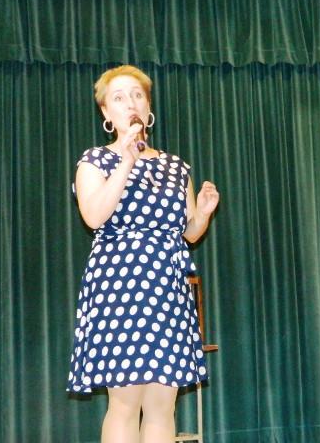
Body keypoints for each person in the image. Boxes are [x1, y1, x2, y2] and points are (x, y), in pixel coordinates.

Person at [66, 65, 220, 443]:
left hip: (167, 287)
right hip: (120, 286)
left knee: (163, 404)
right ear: (106, 112)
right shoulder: (94, 161)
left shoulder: (174, 166)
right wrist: (127, 161)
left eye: (137, 95)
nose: (130, 103)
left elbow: (188, 233)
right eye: (119, 98)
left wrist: (202, 214)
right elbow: (94, 215)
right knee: (125, 402)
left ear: (148, 106)